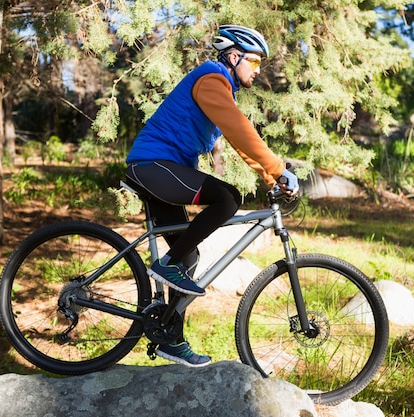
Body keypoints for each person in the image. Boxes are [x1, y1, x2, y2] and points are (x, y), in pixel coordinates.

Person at [124, 25, 299, 367]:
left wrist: (269, 178)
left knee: (187, 258)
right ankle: (167, 263)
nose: (258, 69)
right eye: (254, 61)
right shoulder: (212, 78)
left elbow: (237, 139)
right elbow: (238, 129)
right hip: (153, 166)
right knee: (227, 198)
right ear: (234, 57)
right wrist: (277, 169)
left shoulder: (221, 86)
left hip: (163, 168)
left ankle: (170, 338)